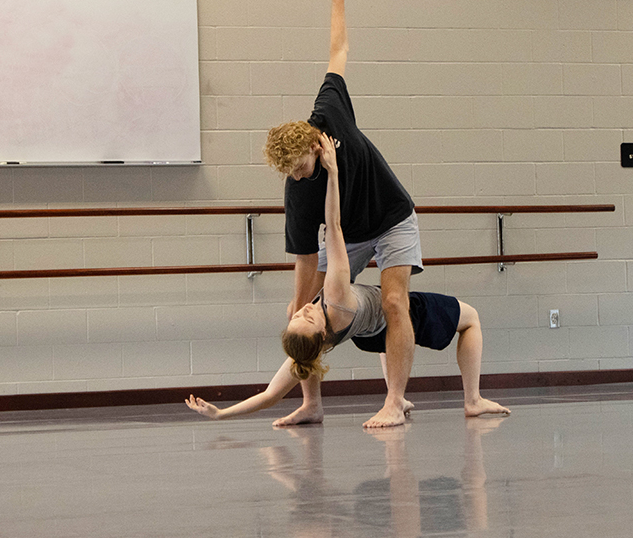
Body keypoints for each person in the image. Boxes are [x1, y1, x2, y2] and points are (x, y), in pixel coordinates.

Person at [186, 132, 510, 424]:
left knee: (381, 332)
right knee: (470, 320)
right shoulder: (336, 296)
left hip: (366, 334)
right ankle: (473, 400)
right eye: (308, 318)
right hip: (393, 317)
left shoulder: (312, 346)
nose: (303, 310)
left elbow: (270, 394)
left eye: (299, 316)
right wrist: (333, 172)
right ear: (322, 331)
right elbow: (335, 227)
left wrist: (220, 413)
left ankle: (323, 405)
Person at [263, 0, 419, 428]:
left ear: (314, 143)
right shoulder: (299, 191)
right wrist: (301, 308)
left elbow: (339, 51)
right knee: (298, 308)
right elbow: (306, 260)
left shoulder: (329, 109)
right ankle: (311, 403)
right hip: (344, 234)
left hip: (390, 215)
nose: (297, 178)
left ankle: (395, 400)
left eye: (301, 168)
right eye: (289, 174)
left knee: (394, 302)